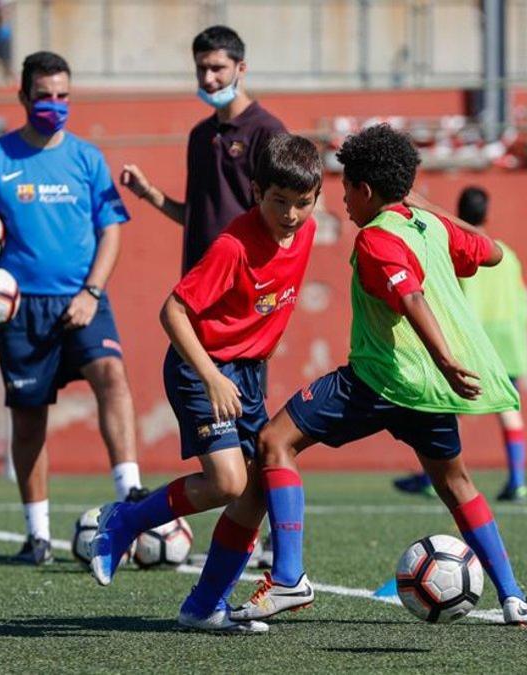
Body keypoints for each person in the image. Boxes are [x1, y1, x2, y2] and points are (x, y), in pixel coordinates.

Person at [231, 125, 527, 627]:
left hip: (381, 380)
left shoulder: (376, 238)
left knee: (273, 442)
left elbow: (411, 298)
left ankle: (289, 577)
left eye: (347, 187)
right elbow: (491, 251)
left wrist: (444, 357)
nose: (344, 200)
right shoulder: (430, 226)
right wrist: (423, 205)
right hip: (429, 391)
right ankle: (515, 598)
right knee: (457, 483)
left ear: (365, 190)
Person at [89, 134, 321, 634]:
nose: (291, 215)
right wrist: (212, 375)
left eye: (302, 203)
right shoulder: (232, 245)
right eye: (279, 201)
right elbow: (172, 310)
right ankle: (123, 522)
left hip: (247, 373)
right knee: (228, 482)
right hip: (204, 367)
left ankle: (203, 607)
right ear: (257, 191)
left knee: (254, 491)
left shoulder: (306, 231)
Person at [0, 52, 144, 563]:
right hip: (18, 310)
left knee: (112, 375)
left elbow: (110, 230)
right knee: (29, 422)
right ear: (24, 97)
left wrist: (92, 293)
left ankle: (131, 499)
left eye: (63, 96)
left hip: (83, 300)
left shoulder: (87, 158)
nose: (54, 105)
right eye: (44, 96)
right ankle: (37, 534)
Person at [393, 186, 527, 502]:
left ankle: (432, 478)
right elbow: (522, 301)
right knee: (509, 411)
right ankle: (518, 480)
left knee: (447, 407)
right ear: (487, 214)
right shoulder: (505, 253)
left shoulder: (456, 247)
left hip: (474, 339)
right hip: (509, 341)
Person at [120, 25, 287, 274]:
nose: (208, 79)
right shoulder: (200, 135)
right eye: (201, 68)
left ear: (241, 68)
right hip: (198, 278)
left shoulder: (268, 132)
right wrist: (147, 192)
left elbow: (282, 218)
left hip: (245, 278)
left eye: (217, 68)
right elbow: (195, 218)